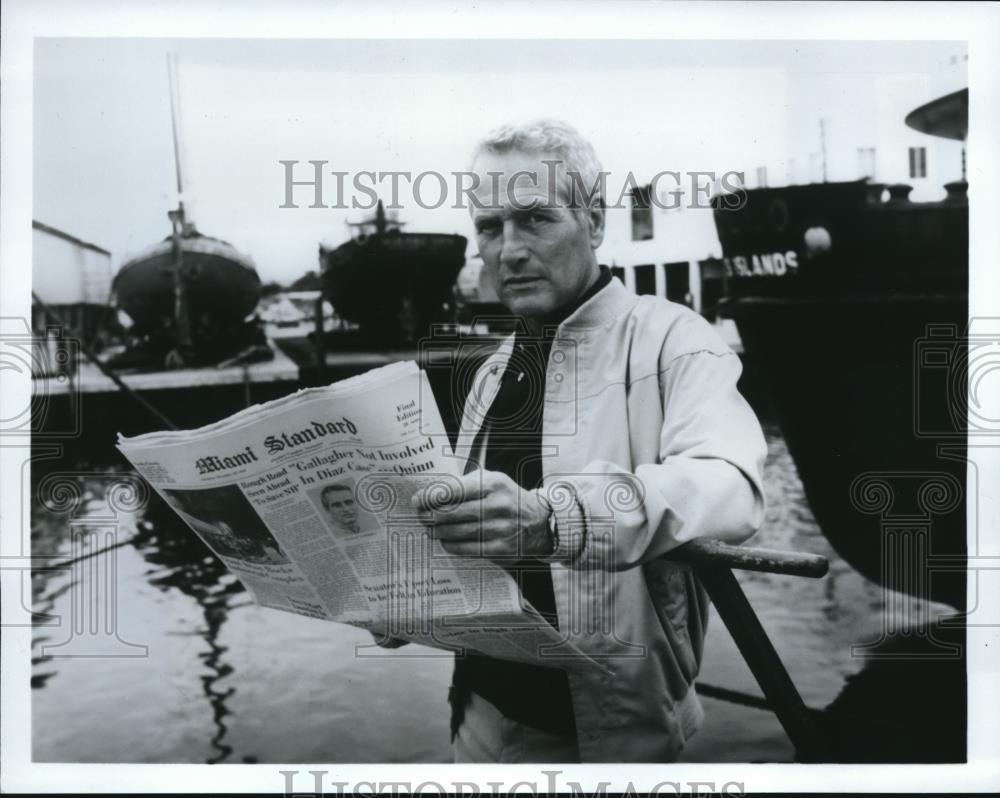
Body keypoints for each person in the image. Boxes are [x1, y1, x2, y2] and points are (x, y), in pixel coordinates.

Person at [406, 119, 767, 763]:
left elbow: (731, 486)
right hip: (478, 716)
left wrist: (556, 519)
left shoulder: (672, 340)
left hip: (608, 729)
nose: (508, 250)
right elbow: (479, 539)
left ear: (594, 223)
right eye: (489, 228)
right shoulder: (493, 371)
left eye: (535, 219)